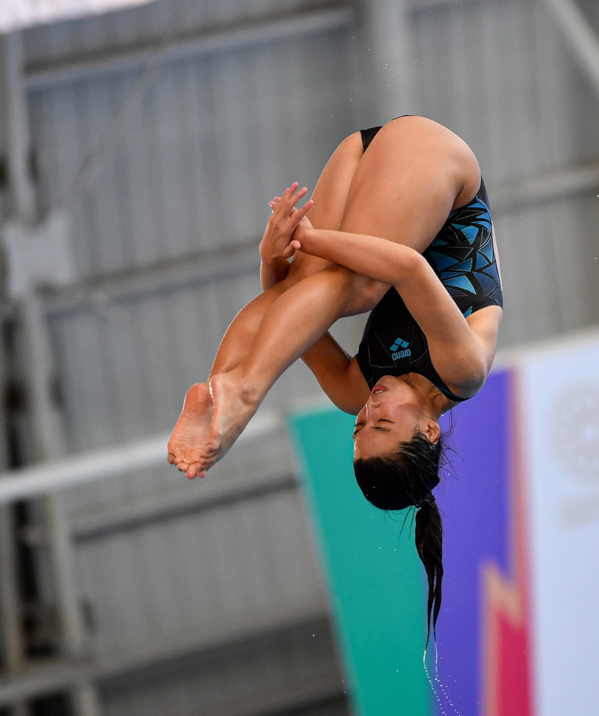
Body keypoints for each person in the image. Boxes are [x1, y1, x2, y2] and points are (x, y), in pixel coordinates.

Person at [167, 115, 503, 638]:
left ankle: (221, 389)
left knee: (313, 290)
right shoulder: (463, 371)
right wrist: (316, 240)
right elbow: (410, 269)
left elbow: (291, 323)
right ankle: (244, 394)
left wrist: (272, 260)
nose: (368, 410)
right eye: (383, 425)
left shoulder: (354, 390)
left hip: (361, 158)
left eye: (359, 428)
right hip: (433, 158)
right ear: (429, 431)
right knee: (359, 287)